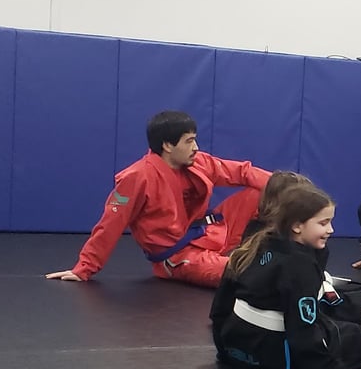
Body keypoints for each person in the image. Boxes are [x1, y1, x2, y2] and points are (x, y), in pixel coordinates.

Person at [210, 183, 361, 369]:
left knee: (335, 327)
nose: (331, 230)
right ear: (297, 226)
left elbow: (219, 310)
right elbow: (303, 330)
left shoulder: (254, 245)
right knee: (342, 336)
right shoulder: (300, 265)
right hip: (273, 362)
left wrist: (226, 351)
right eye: (323, 223)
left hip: (239, 351)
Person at [46, 110, 270, 288]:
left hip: (211, 232)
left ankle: (281, 249)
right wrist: (84, 268)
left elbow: (242, 172)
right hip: (180, 256)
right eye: (189, 141)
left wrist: (287, 186)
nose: (196, 147)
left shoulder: (197, 162)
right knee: (240, 271)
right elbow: (110, 224)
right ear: (167, 145)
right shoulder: (136, 178)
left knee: (267, 192)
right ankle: (266, 266)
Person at [245, 171, 361, 332]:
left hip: (303, 312)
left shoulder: (258, 236)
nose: (330, 230)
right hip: (309, 318)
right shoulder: (294, 258)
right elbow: (307, 325)